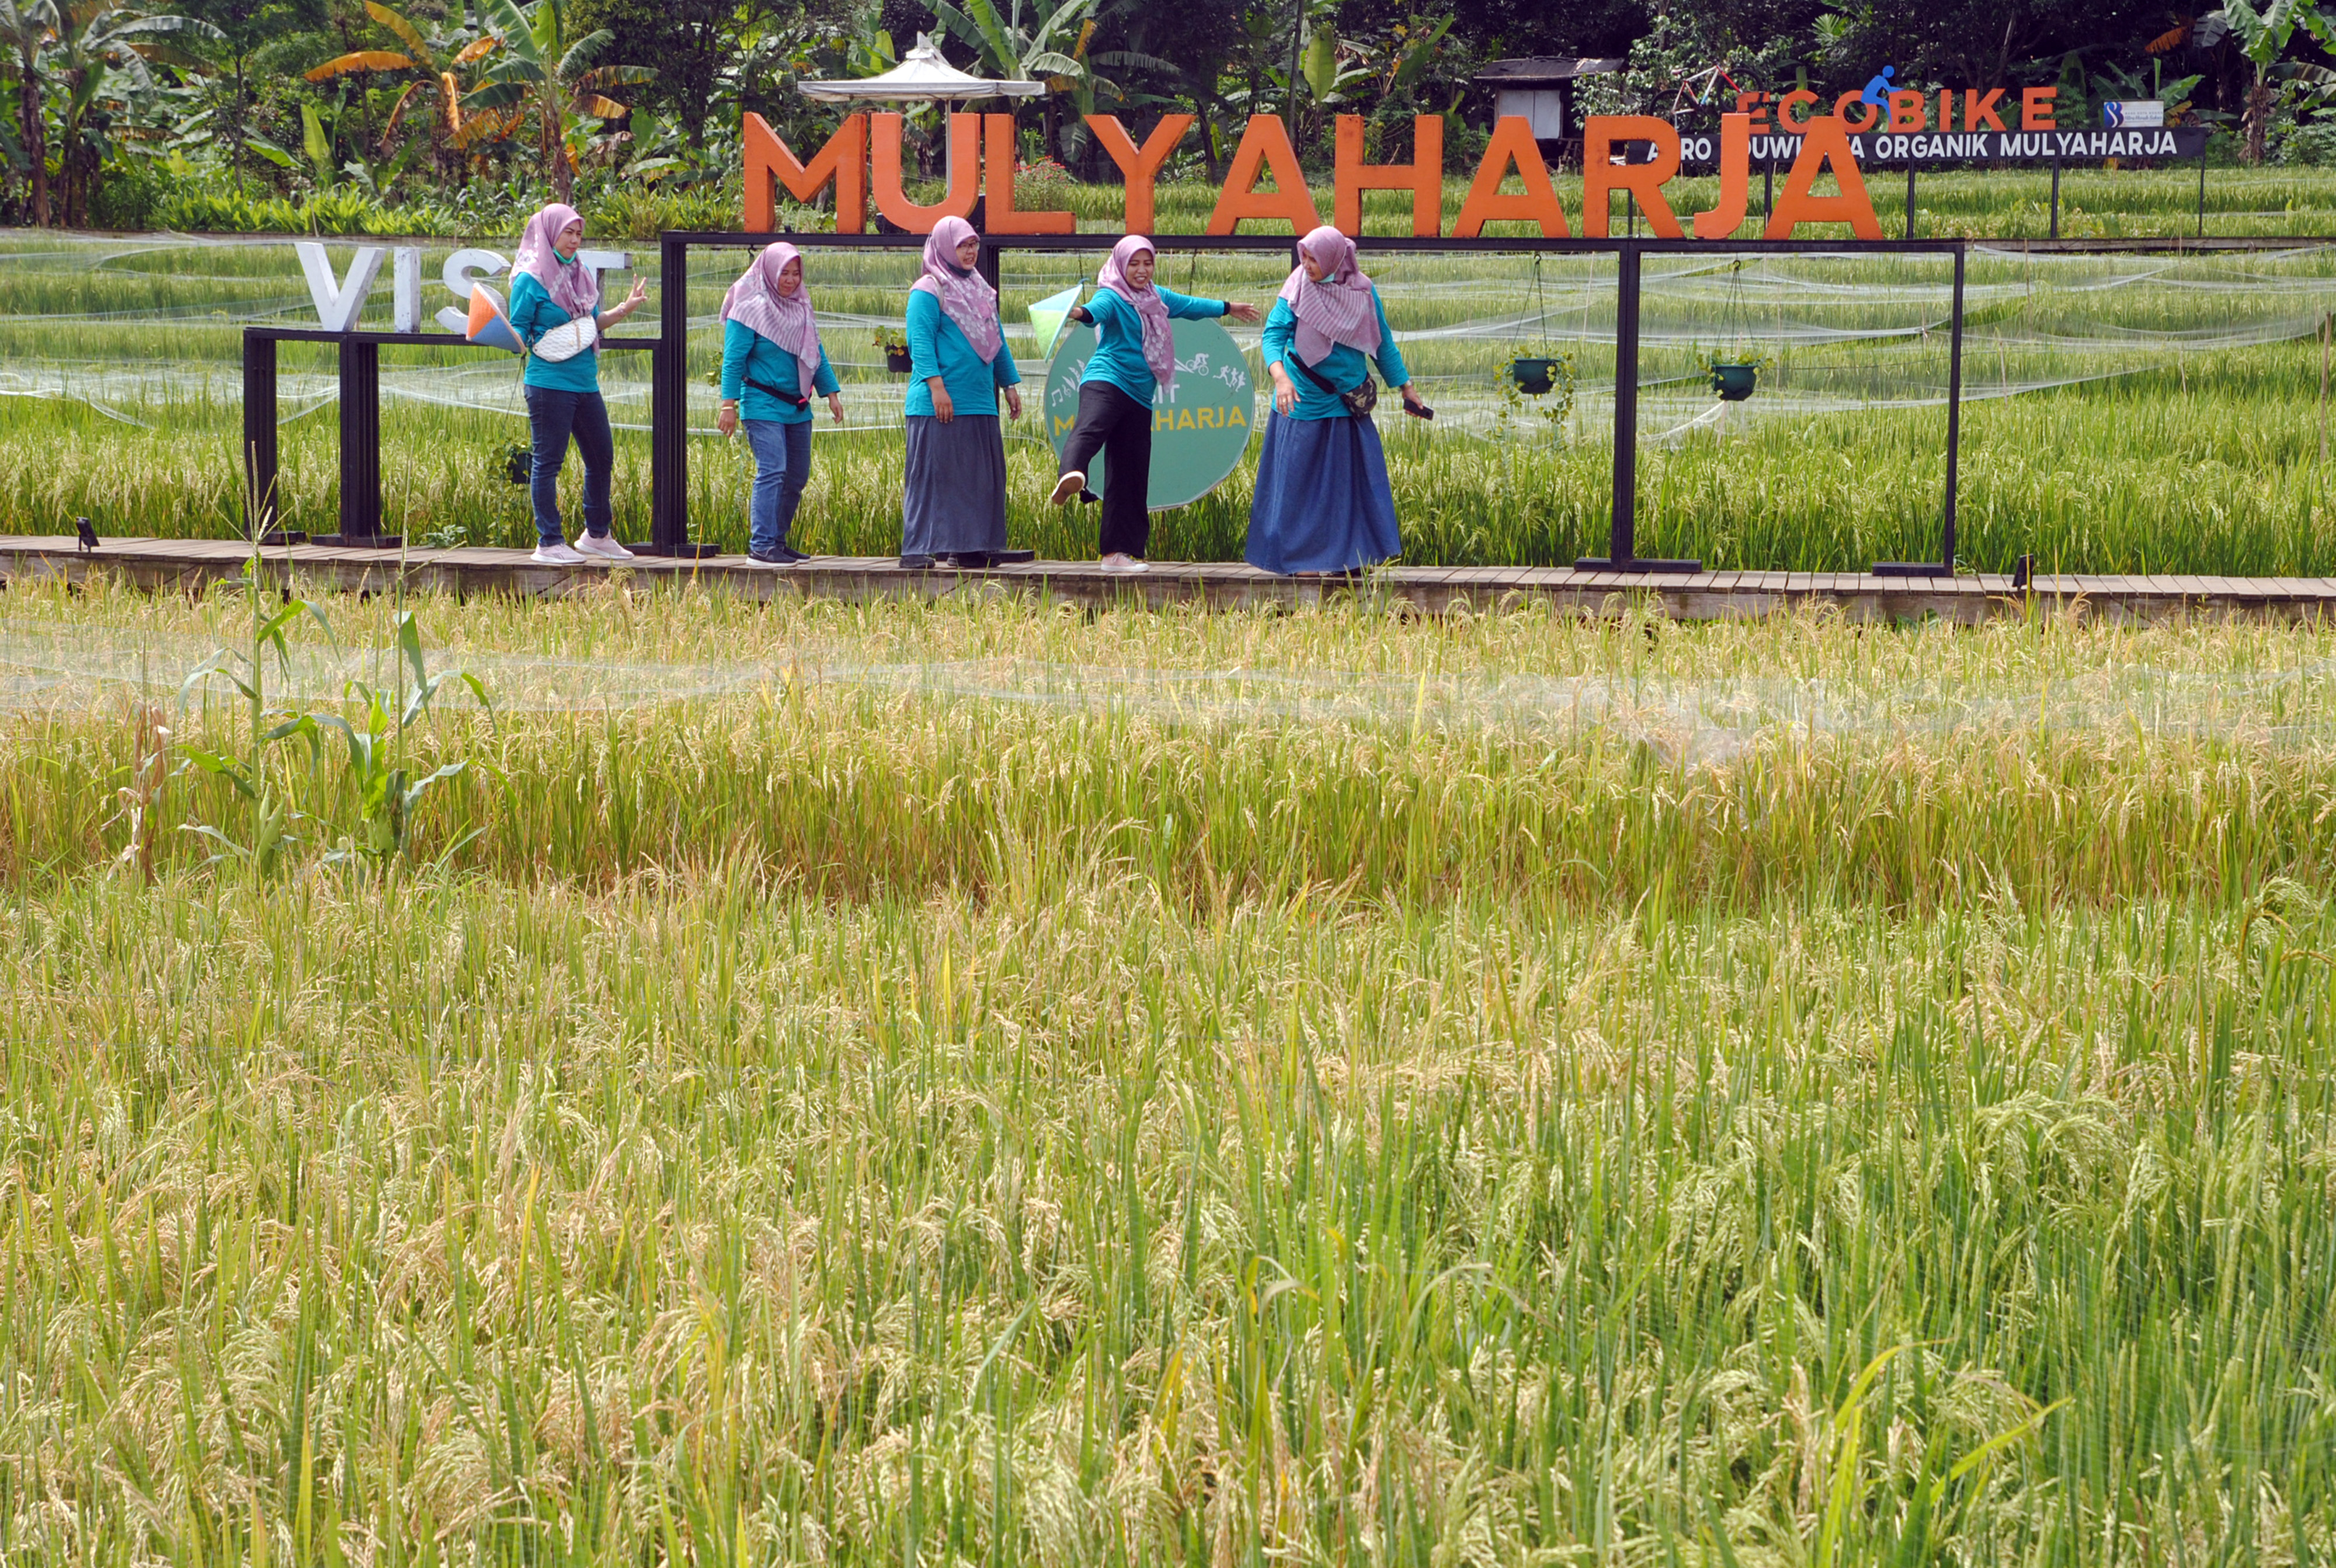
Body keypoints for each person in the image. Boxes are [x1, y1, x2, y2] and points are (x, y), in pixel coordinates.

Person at [1046, 236, 1260, 573]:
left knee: (1130, 476)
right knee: (1090, 429)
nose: (1142, 270)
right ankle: (1071, 476)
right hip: (1106, 380)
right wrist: (1073, 312)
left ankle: (1117, 555)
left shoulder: (1157, 298)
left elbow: (1191, 306)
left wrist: (1228, 307)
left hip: (1139, 395)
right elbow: (1093, 313)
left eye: (1147, 263)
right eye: (1134, 264)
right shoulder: (1112, 295)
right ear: (1121, 265)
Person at [1246, 226, 1425, 578]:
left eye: (1315, 258)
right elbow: (1273, 335)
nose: (1308, 264)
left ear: (1335, 258)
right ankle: (1302, 563)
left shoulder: (1362, 291)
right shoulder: (1298, 286)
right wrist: (1280, 377)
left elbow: (1382, 343)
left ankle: (1352, 560)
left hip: (1347, 404)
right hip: (1301, 402)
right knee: (1300, 489)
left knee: (1350, 490)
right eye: (1305, 256)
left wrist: (1406, 387)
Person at [509, 201, 651, 566]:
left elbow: (590, 323)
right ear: (549, 233)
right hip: (549, 383)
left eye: (578, 234)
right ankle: (549, 541)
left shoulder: (579, 273)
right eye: (568, 233)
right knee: (548, 462)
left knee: (601, 456)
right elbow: (518, 333)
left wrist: (624, 309)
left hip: (585, 381)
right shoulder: (531, 278)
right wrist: (506, 335)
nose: (574, 240)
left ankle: (597, 535)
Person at [901, 215, 1022, 570]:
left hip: (979, 399)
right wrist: (937, 388)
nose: (970, 252)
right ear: (944, 247)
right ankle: (917, 549)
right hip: (939, 402)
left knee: (977, 478)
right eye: (962, 245)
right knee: (933, 476)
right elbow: (919, 343)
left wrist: (1009, 384)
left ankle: (969, 547)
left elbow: (995, 340)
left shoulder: (980, 289)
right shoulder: (928, 289)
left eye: (973, 245)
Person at [715, 242, 845, 565]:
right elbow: (733, 361)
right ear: (769, 273)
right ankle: (760, 546)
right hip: (762, 404)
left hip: (798, 406)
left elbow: (815, 352)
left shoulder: (801, 308)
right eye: (784, 273)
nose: (790, 280)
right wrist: (728, 406)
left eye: (795, 273)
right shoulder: (747, 310)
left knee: (797, 475)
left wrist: (831, 394)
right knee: (773, 470)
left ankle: (777, 540)